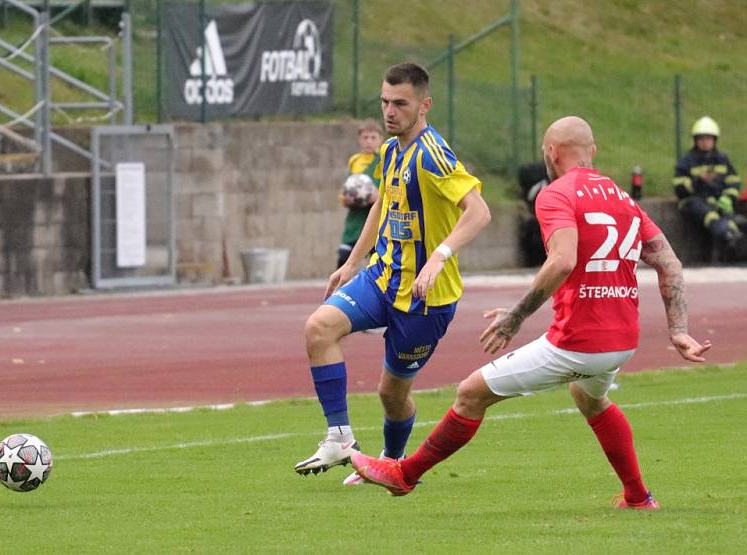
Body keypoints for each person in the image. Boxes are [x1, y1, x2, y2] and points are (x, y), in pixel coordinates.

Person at [351, 116, 712, 509]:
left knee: (470, 394)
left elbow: (562, 261)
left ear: (551, 153)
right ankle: (638, 497)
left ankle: (404, 475)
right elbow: (669, 263)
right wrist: (678, 329)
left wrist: (516, 317)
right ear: (592, 152)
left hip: (580, 344)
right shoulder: (622, 198)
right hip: (622, 340)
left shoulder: (555, 194)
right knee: (590, 399)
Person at [294, 63, 492, 483]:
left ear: (424, 106)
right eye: (385, 101)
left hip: (426, 299)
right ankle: (340, 437)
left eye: (400, 103)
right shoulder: (388, 151)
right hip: (382, 276)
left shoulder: (434, 155)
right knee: (318, 328)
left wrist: (439, 256)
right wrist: (352, 263)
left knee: (391, 394)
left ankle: (390, 463)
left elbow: (479, 212)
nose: (390, 111)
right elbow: (382, 204)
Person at [673, 116, 744, 252]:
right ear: (696, 140)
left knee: (726, 214)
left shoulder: (722, 160)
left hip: (718, 201)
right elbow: (679, 188)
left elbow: (733, 182)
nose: (705, 142)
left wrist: (728, 198)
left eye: (708, 138)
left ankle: (731, 233)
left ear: (714, 140)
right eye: (701, 138)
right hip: (693, 201)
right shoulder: (687, 161)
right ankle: (727, 231)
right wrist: (699, 180)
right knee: (706, 211)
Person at [338, 120, 383, 269]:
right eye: (365, 137)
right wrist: (346, 199)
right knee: (343, 259)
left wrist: (378, 196)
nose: (368, 141)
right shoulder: (354, 161)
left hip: (377, 221)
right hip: (355, 222)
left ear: (380, 139)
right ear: (359, 139)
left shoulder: (384, 160)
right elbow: (345, 191)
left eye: (373, 137)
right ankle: (340, 291)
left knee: (378, 266)